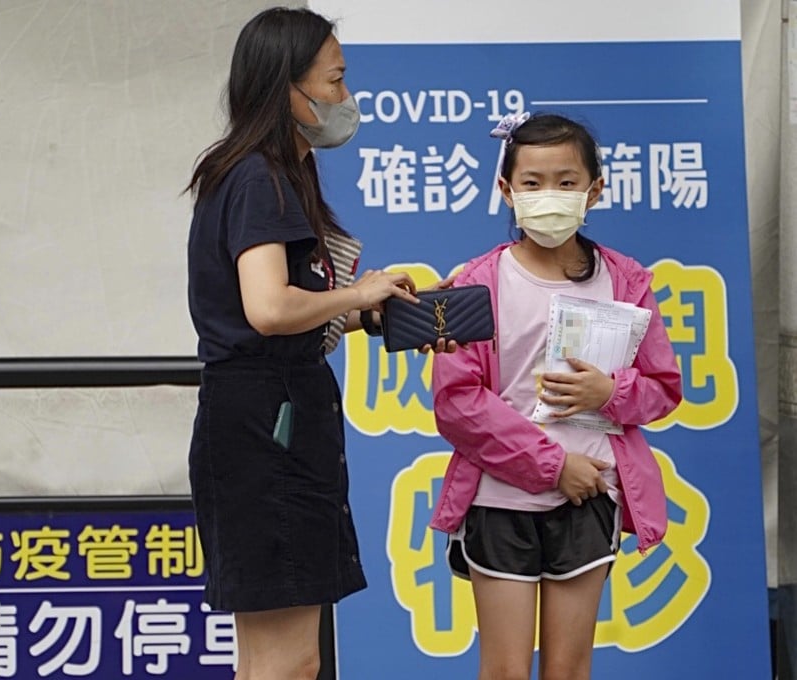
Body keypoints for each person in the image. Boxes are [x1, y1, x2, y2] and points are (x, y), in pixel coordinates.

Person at [185, 8, 454, 680]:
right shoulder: (258, 178)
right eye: (334, 80)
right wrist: (355, 295)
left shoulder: (268, 176)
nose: (344, 97)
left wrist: (375, 310)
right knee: (290, 662)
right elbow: (270, 308)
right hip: (265, 428)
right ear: (288, 89)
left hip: (266, 420)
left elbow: (288, 313)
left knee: (267, 659)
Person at [429, 112, 683, 680]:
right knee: (505, 671)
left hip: (589, 495)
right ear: (505, 191)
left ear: (595, 190)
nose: (550, 197)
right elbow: (457, 402)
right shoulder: (475, 283)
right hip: (501, 500)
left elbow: (664, 389)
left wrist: (609, 391)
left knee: (569, 669)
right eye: (532, 183)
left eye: (567, 183)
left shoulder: (625, 280)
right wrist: (551, 466)